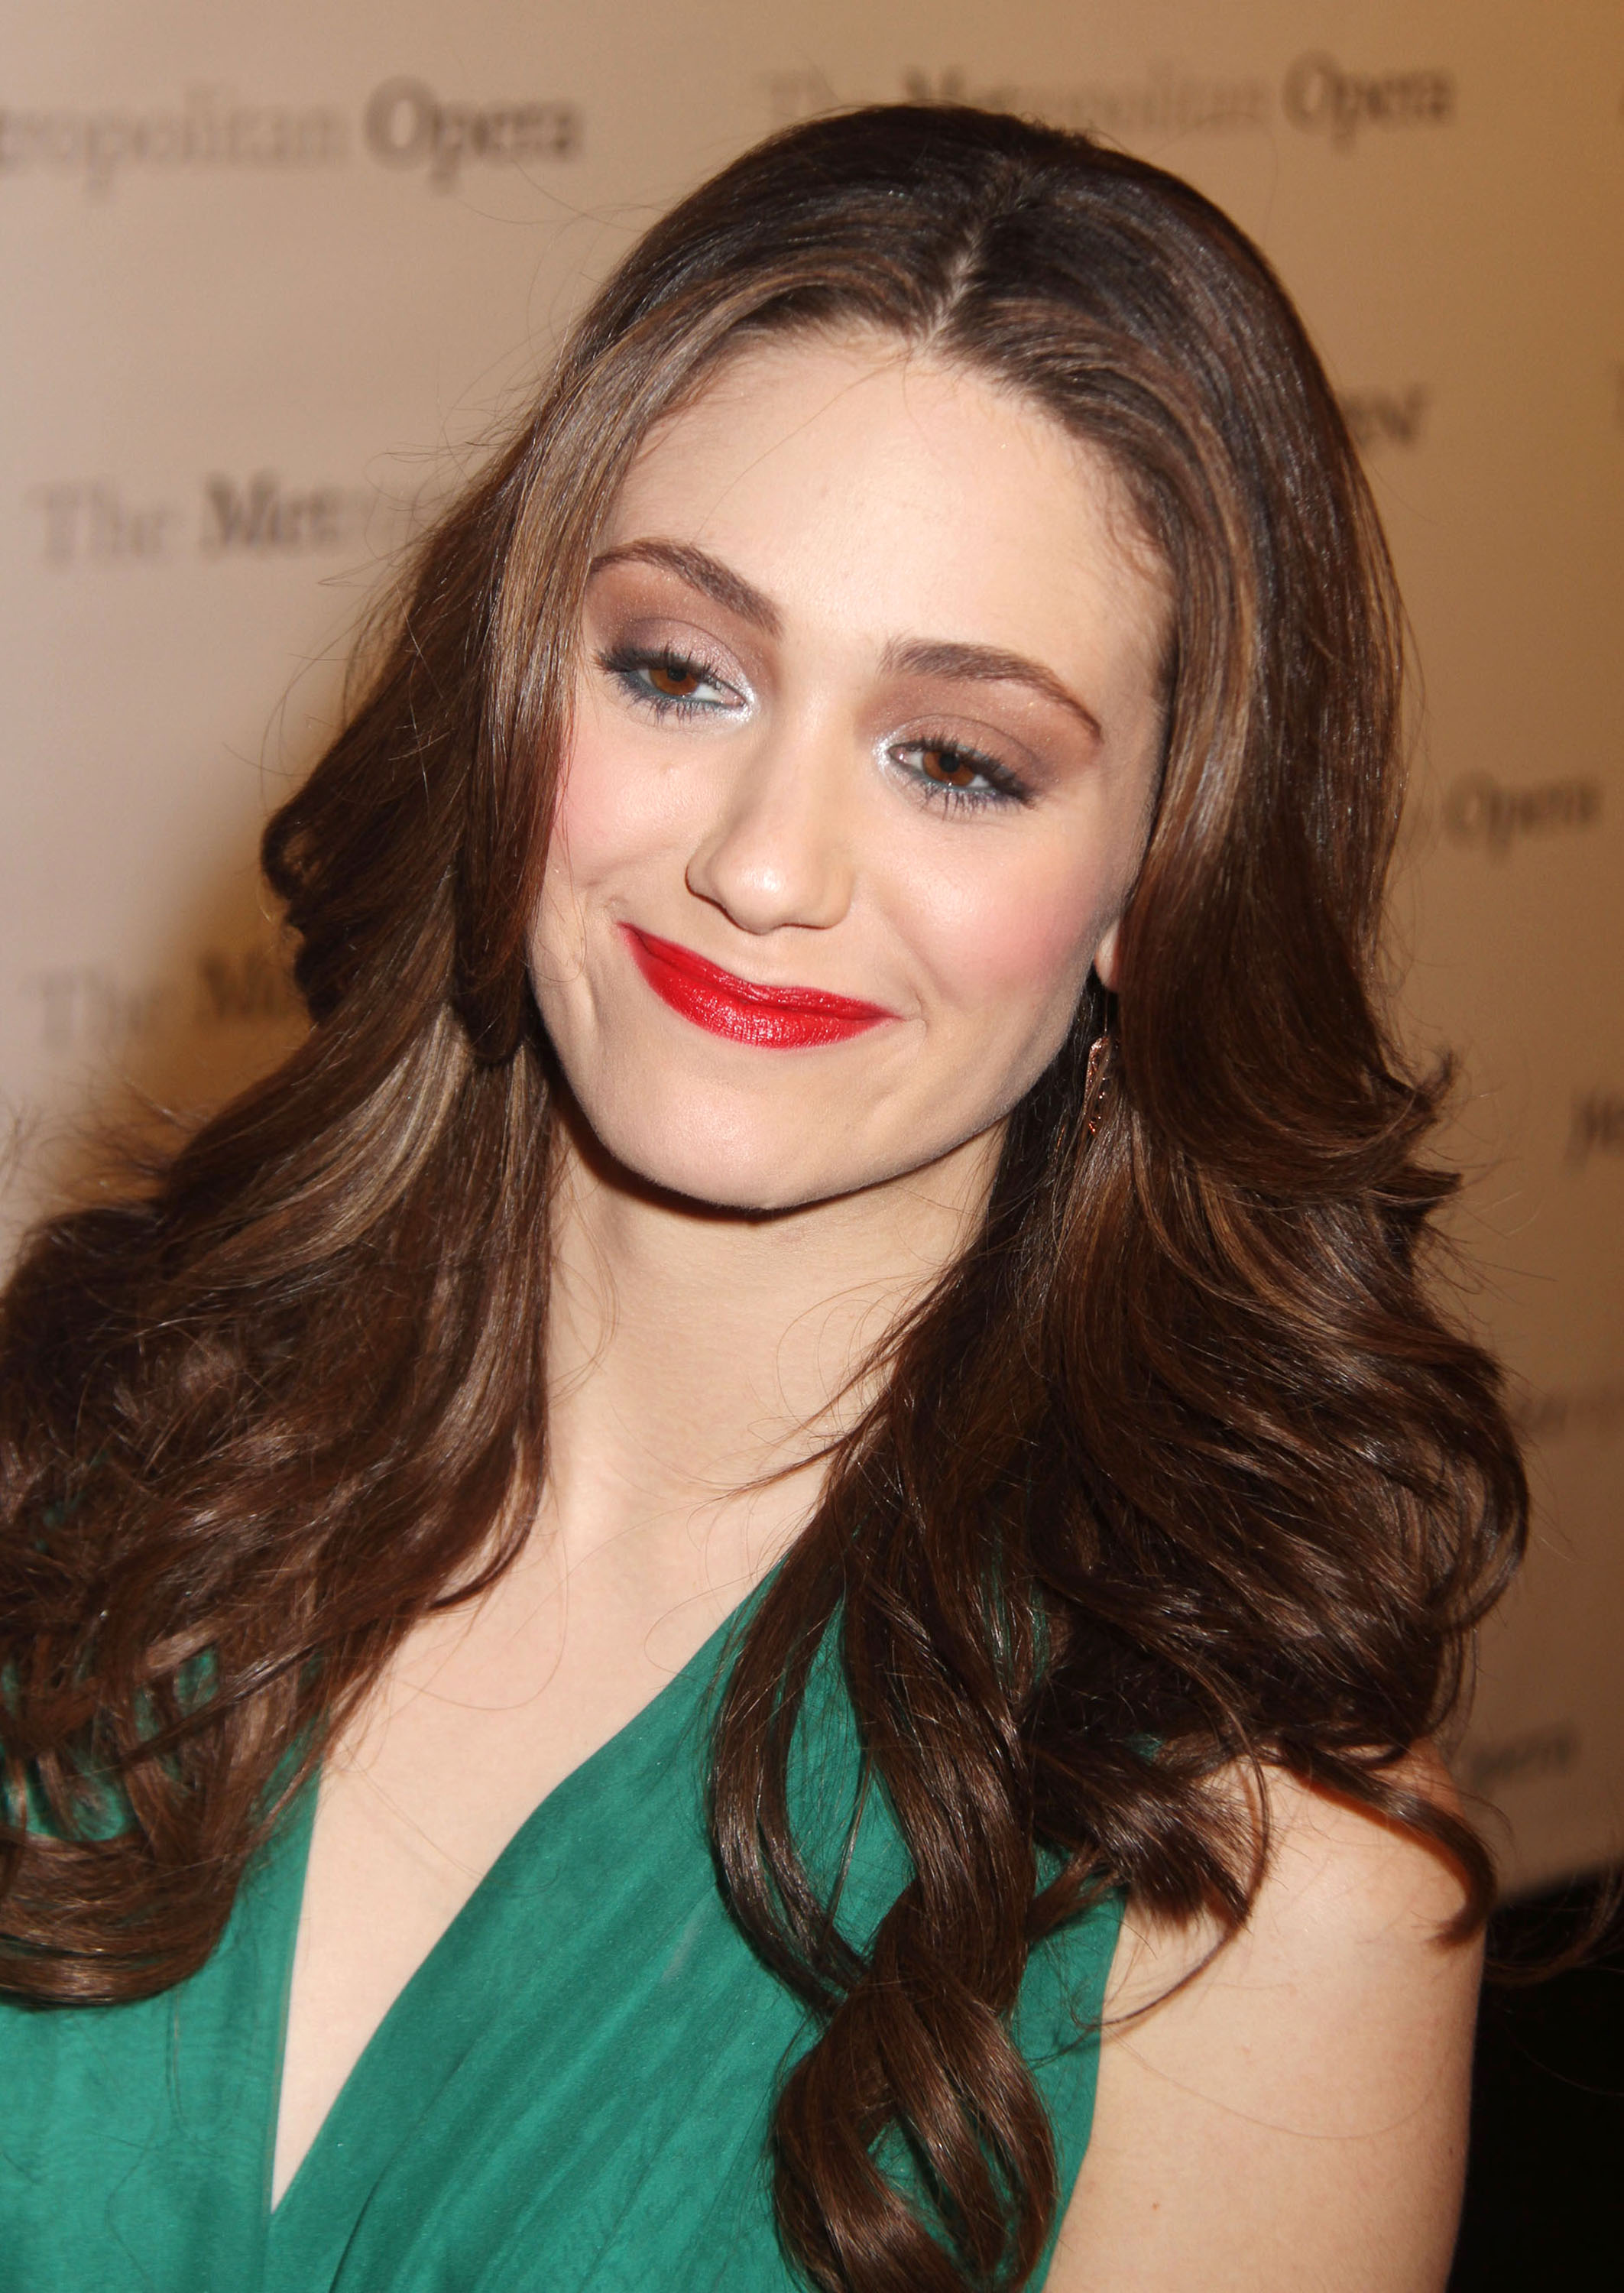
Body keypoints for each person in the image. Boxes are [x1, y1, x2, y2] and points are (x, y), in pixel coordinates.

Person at [0, 103, 1525, 2292]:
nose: (765, 864)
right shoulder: (82, 1468)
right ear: (521, 674)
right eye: (678, 670)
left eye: (959, 760)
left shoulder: (1264, 1892)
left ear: (1162, 880)